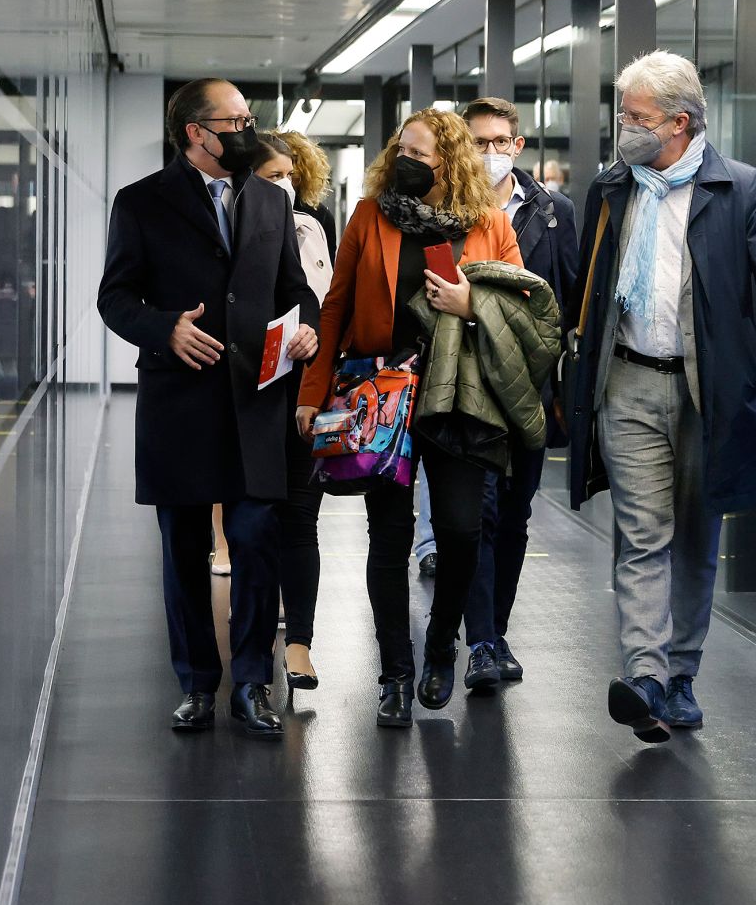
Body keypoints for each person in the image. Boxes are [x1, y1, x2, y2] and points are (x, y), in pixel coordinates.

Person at [567, 52, 756, 742]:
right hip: (628, 381)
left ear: (680, 123)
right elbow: (585, 287)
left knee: (695, 536)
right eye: (623, 116)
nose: (625, 129)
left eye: (638, 119)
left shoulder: (740, 188)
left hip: (712, 389)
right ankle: (644, 673)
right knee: (642, 533)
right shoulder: (612, 187)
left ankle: (680, 676)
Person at [99, 78, 319, 738]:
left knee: (255, 540)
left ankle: (251, 682)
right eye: (236, 121)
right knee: (184, 547)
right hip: (181, 401)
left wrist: (304, 327)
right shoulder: (141, 203)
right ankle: (196, 683)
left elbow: (295, 289)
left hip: (258, 399)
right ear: (196, 132)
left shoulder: (274, 201)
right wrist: (164, 327)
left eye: (250, 118)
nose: (248, 130)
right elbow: (116, 297)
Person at [297, 106, 524, 727]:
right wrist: (312, 394)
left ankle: (443, 643)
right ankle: (395, 672)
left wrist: (469, 302)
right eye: (403, 149)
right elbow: (336, 304)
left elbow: (523, 311)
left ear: (449, 161)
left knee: (458, 530)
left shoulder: (490, 223)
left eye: (422, 154)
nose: (408, 162)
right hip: (381, 395)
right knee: (389, 538)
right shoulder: (370, 216)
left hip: (461, 397)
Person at [457, 96, 580, 682]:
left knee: (514, 515)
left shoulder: (553, 212)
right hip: (468, 386)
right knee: (477, 513)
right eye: (478, 142)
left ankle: (496, 631)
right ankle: (480, 641)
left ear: (518, 146)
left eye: (500, 142)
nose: (490, 153)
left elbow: (567, 298)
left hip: (529, 388)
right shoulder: (447, 208)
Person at [256, 131, 335, 689]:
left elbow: (323, 298)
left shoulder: (315, 224)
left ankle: (300, 644)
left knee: (302, 520)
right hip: (256, 395)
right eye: (270, 177)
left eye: (289, 175)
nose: (284, 186)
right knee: (258, 523)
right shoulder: (237, 235)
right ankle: (256, 644)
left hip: (310, 387)